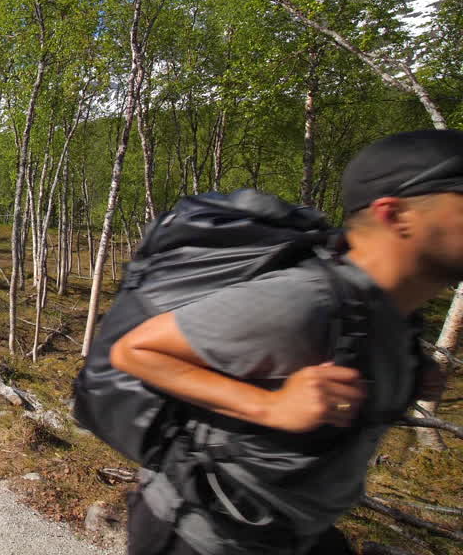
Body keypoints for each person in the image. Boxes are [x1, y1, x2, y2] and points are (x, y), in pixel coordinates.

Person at [110, 129, 463, 555]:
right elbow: (134, 350)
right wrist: (272, 406)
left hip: (293, 531)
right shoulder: (305, 301)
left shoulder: (396, 313)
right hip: (205, 534)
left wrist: (408, 376)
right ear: (395, 214)